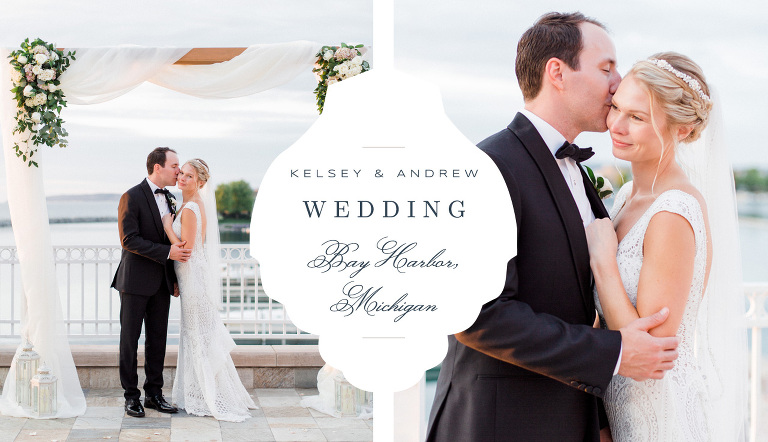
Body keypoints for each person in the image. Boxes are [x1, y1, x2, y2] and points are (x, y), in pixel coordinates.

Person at [426, 13, 680, 442]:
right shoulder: (487, 167)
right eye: (606, 68)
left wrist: (597, 422)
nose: (619, 82)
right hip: (499, 425)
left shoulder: (578, 173)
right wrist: (615, 352)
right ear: (557, 73)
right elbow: (473, 314)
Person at [586, 53, 748, 441]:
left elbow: (651, 350)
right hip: (617, 413)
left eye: (637, 117)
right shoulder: (626, 196)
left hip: (662, 419)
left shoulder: (674, 211)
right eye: (617, 108)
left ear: (684, 130)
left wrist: (602, 261)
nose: (616, 125)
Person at [161, 158, 257, 422]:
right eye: (181, 174)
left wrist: (168, 227)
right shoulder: (191, 205)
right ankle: (199, 394)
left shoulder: (191, 208)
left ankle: (208, 396)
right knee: (198, 337)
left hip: (194, 280)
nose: (182, 178)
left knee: (199, 338)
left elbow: (186, 250)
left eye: (189, 176)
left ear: (200, 182)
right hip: (191, 279)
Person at [112, 147, 190, 417]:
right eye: (175, 165)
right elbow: (128, 239)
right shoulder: (130, 197)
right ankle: (131, 397)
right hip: (134, 282)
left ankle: (154, 395)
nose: (178, 170)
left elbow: (169, 236)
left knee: (158, 340)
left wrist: (174, 276)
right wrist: (168, 252)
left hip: (161, 283)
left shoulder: (170, 198)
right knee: (129, 341)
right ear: (158, 167)